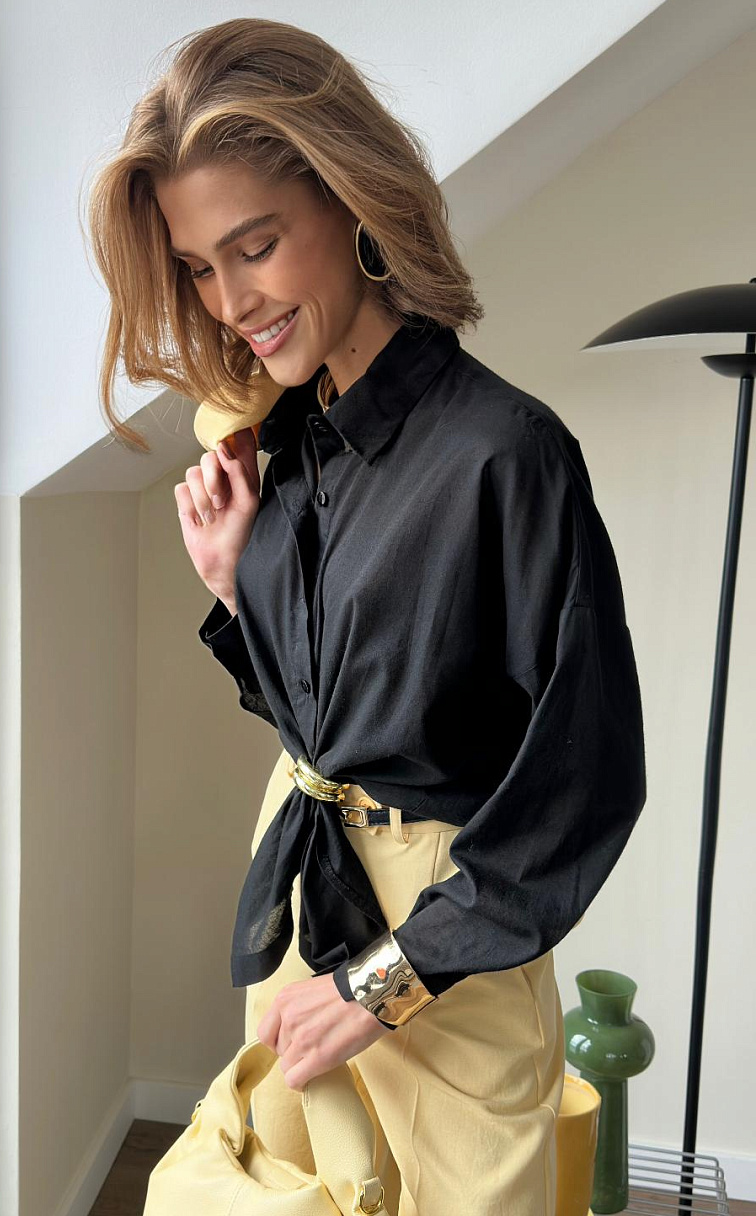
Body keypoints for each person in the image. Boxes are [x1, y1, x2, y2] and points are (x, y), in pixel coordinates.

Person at [85, 17, 647, 1215]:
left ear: (350, 200)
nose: (231, 301)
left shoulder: (507, 454)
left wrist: (381, 986)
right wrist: (237, 585)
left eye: (255, 246)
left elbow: (583, 786)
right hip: (304, 887)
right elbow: (331, 726)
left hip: (449, 949)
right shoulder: (286, 448)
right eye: (200, 267)